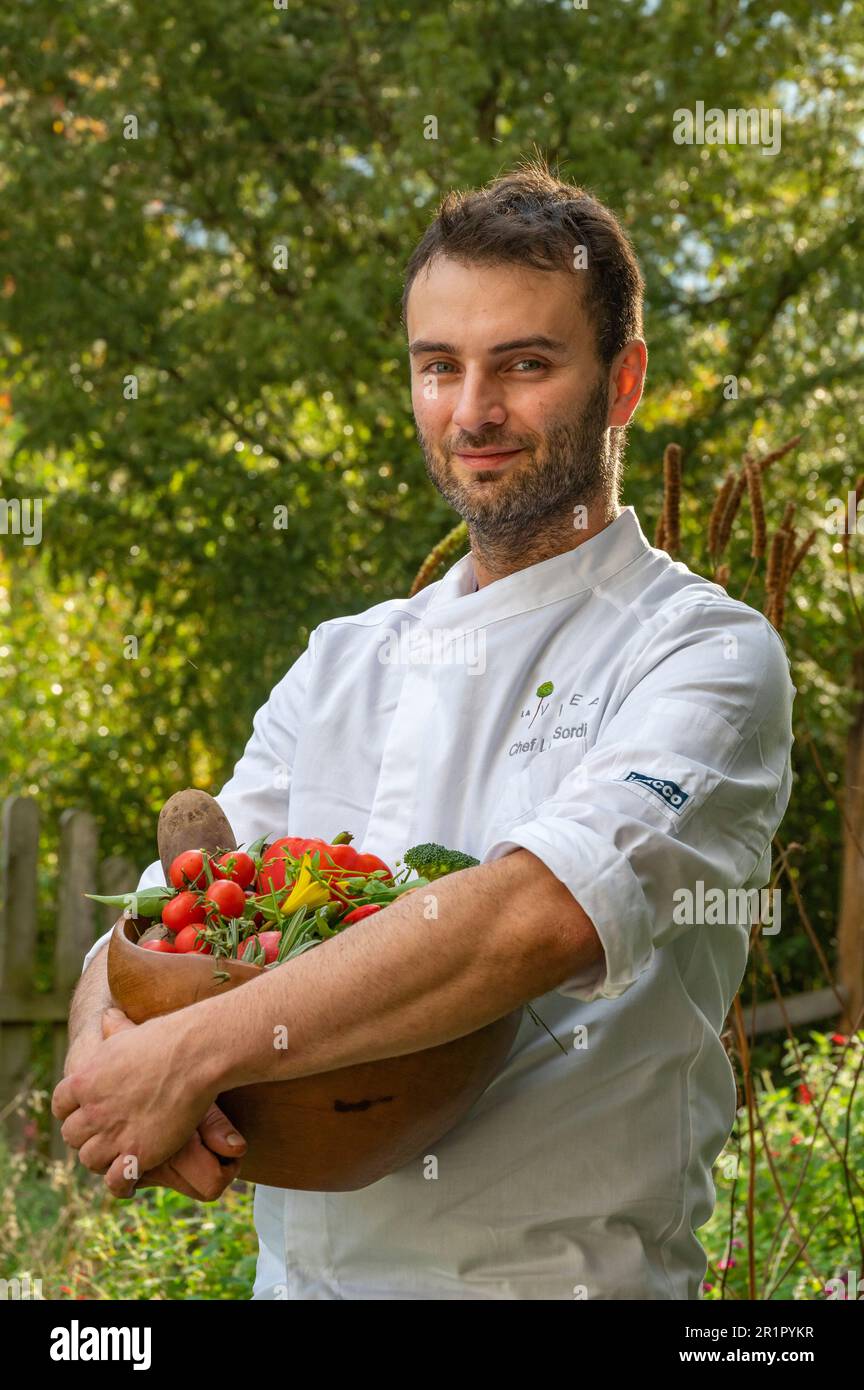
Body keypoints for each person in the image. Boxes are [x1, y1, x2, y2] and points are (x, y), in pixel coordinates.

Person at [55, 157, 794, 1300]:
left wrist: (193, 1050)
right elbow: (182, 903)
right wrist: (107, 1041)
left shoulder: (703, 650)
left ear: (627, 380)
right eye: (438, 366)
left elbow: (537, 916)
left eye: (526, 365)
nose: (473, 411)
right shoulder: (344, 657)